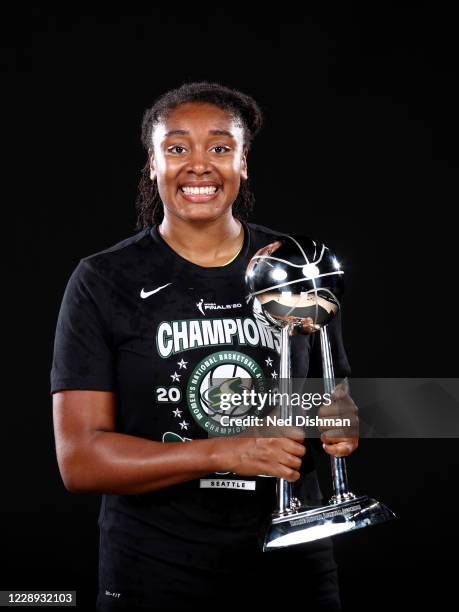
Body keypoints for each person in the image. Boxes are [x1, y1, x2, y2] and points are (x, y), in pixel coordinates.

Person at [50, 81, 358, 612]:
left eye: (220, 147)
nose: (199, 165)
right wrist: (226, 452)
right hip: (155, 571)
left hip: (292, 566)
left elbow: (331, 397)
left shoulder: (295, 266)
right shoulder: (105, 279)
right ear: (153, 164)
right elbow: (79, 461)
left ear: (243, 163)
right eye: (176, 148)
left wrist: (347, 418)